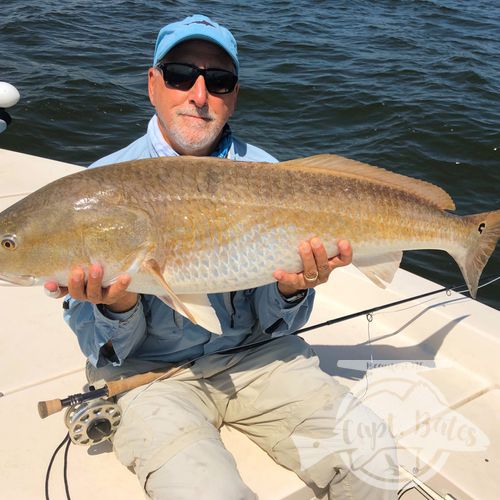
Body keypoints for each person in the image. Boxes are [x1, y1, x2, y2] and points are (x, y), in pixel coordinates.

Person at [45, 14, 397, 499]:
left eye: (219, 80)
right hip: (149, 379)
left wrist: (291, 290)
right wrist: (116, 307)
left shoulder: (269, 173)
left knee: (371, 458)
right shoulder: (99, 186)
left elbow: (278, 328)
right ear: (153, 84)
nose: (198, 93)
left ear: (233, 95)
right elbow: (104, 353)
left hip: (260, 357)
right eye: (179, 75)